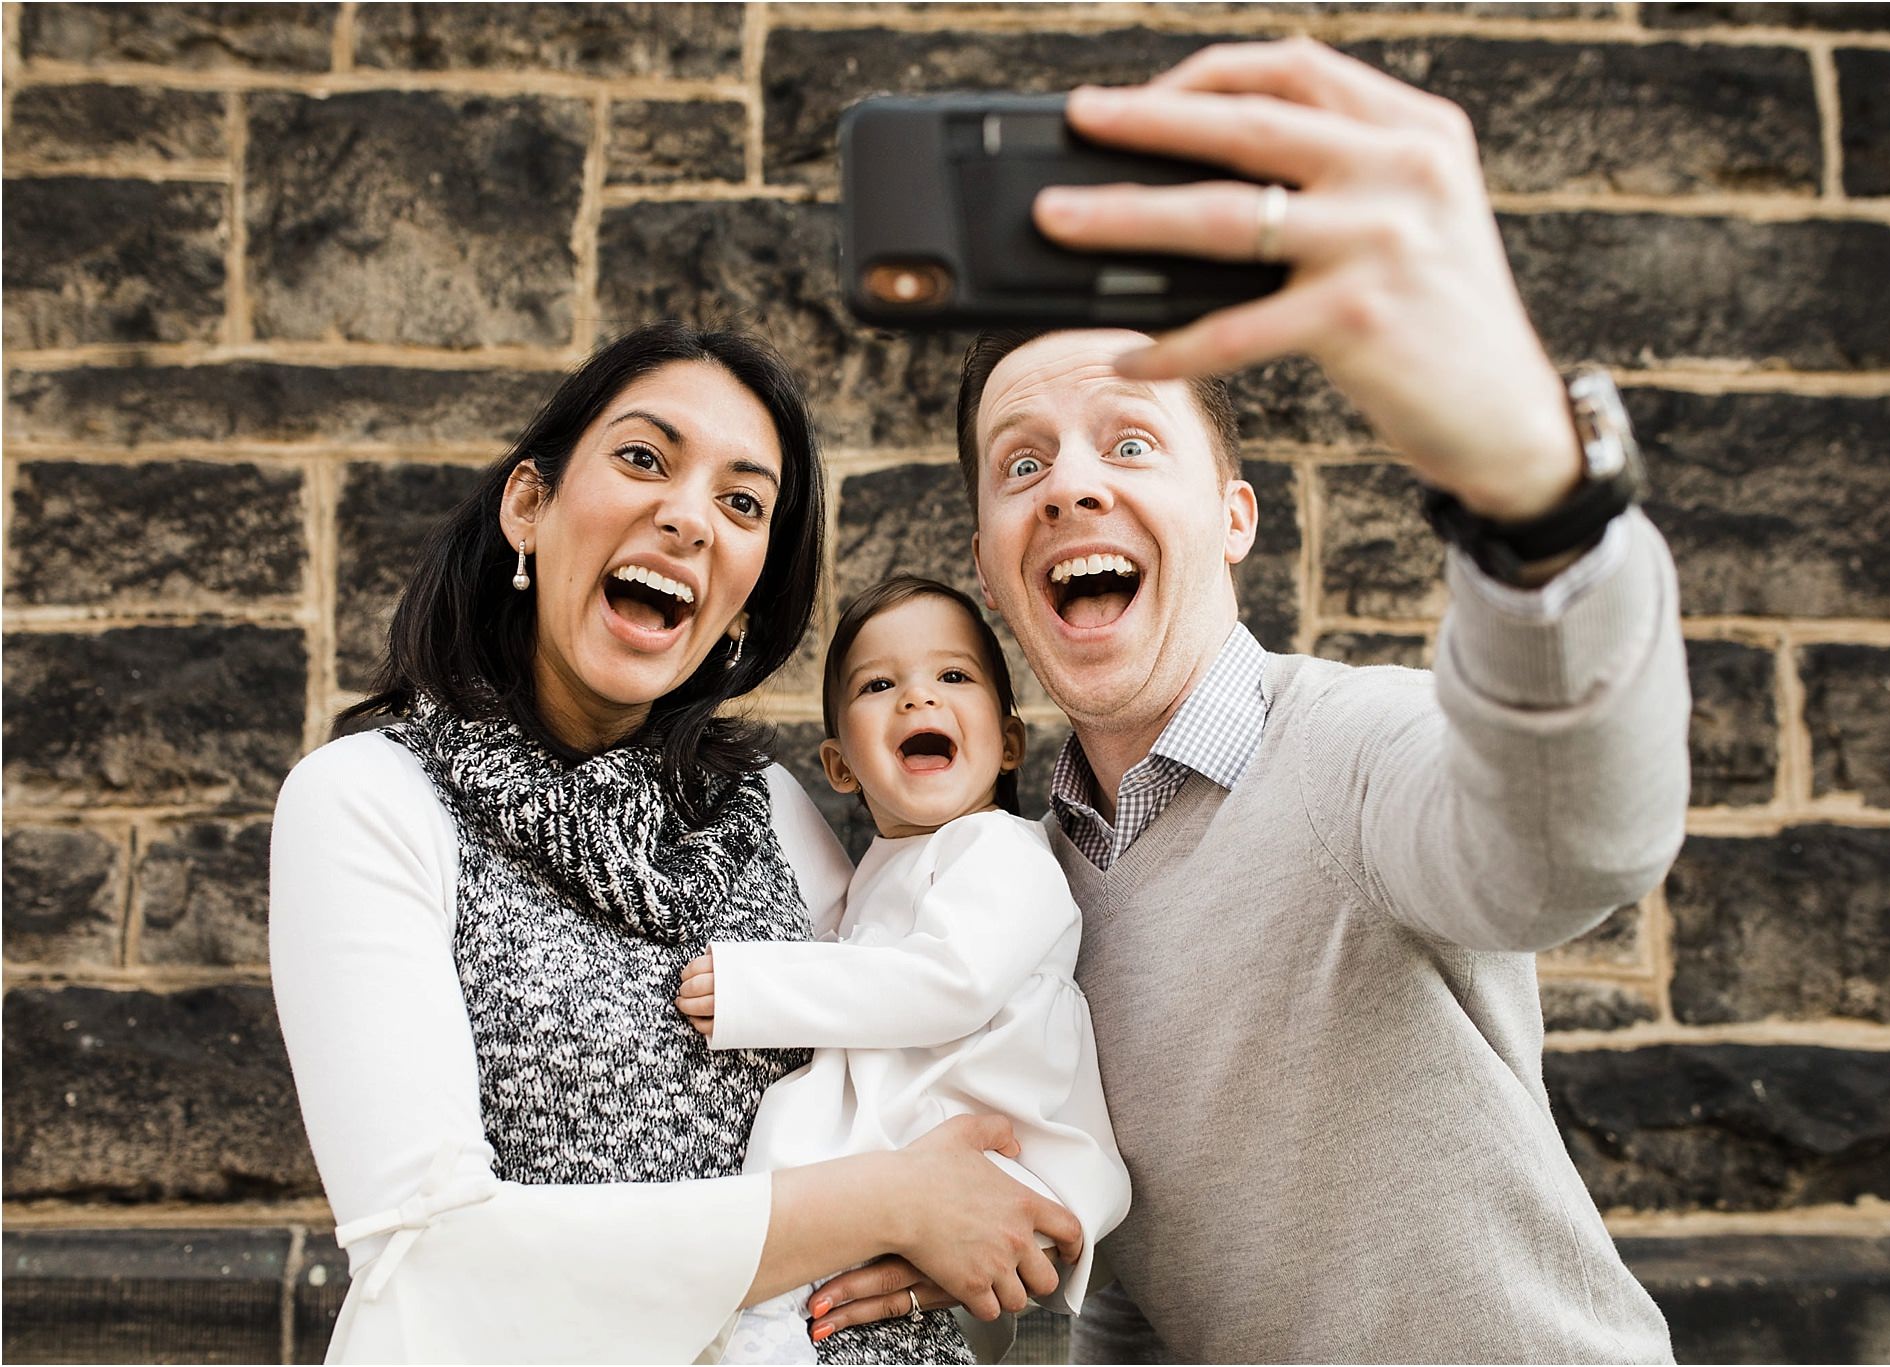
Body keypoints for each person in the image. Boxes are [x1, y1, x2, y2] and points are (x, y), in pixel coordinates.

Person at [801, 39, 1691, 1363]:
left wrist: (1539, 502)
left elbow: (1575, 842)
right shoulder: (1032, 888)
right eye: (1022, 460)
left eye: (1132, 439)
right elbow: (1137, 1293)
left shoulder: (1349, 747)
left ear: (1233, 518)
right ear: (993, 558)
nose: (1071, 485)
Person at [268, 321, 1083, 1365]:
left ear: (746, 588)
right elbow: (429, 1254)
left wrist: (984, 1216)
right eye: (645, 458)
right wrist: (881, 1200)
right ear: (529, 504)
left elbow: (933, 1079)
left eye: (742, 502)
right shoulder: (370, 802)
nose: (687, 517)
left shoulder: (776, 811)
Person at [676, 575, 1131, 1365]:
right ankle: (753, 1312)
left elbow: (950, 982)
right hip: (907, 1166)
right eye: (880, 684)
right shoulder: (877, 871)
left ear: (1009, 742)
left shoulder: (1001, 850)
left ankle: (755, 1316)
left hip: (995, 1155)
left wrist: (759, 989)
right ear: (840, 764)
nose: (918, 699)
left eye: (953, 676)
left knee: (798, 1132)